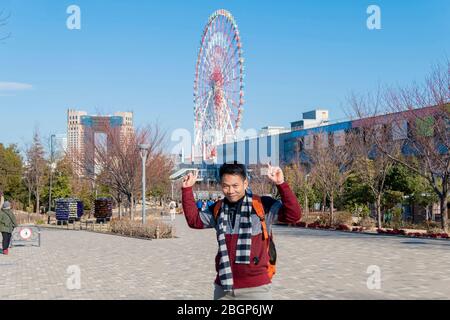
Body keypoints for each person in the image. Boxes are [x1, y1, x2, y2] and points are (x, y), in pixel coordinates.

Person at [182, 162, 301, 300]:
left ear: (245, 183)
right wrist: (187, 190)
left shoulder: (262, 205)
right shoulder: (218, 208)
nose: (230, 191)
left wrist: (281, 183)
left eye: (235, 186)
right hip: (224, 289)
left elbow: (294, 215)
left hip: (256, 289)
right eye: (226, 186)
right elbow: (195, 220)